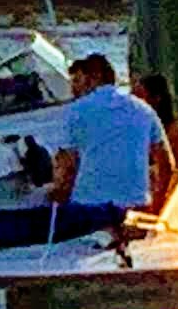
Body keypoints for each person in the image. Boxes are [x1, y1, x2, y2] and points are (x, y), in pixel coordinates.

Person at [47, 54, 167, 237]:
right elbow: (168, 164)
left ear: (94, 78)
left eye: (77, 80)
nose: (73, 88)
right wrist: (157, 206)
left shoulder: (76, 111)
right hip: (137, 207)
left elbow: (67, 166)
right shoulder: (144, 110)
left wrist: (57, 195)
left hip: (89, 208)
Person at [133, 71, 178, 205]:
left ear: (156, 98)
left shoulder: (176, 131)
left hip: (168, 198)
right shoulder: (138, 129)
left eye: (139, 97)